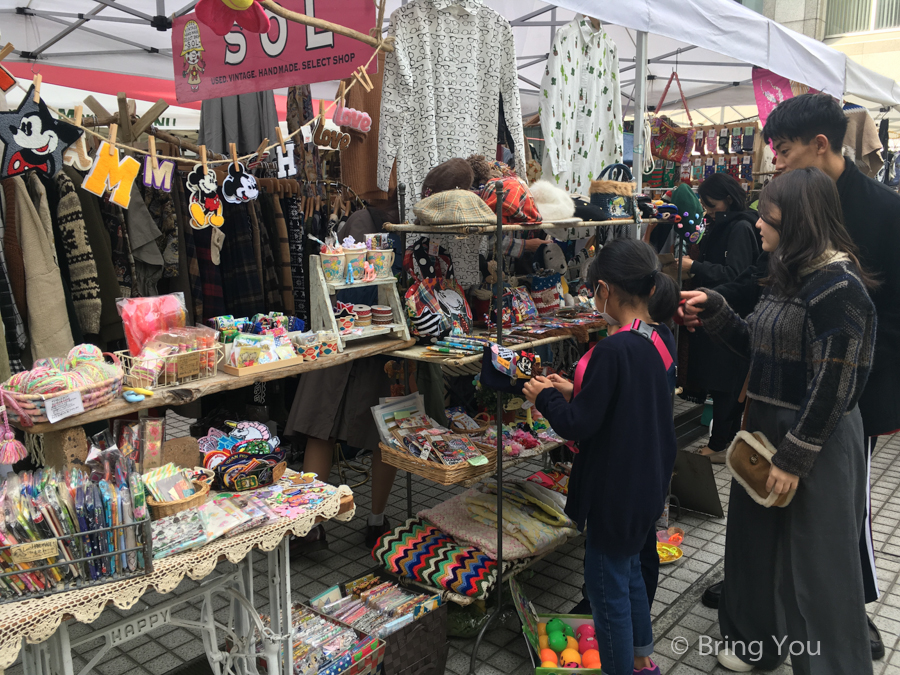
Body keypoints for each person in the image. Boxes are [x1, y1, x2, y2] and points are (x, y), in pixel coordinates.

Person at [681, 93, 900, 662]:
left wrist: (798, 450)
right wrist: (718, 312)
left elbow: (838, 378)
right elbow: (762, 342)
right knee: (761, 548)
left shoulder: (839, 282)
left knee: (822, 566)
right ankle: (759, 643)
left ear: (797, 219)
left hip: (818, 432)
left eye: (766, 214)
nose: (756, 221)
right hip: (772, 425)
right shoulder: (788, 273)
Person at [524, 238, 679, 675]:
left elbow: (577, 425)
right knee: (630, 575)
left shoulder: (611, 351)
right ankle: (642, 659)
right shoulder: (658, 338)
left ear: (606, 290)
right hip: (648, 484)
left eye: (594, 289)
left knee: (607, 592)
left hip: (615, 491)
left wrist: (545, 399)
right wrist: (578, 391)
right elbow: (633, 401)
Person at [684, 174, 759, 462]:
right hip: (723, 311)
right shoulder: (730, 223)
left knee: (726, 381)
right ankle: (723, 441)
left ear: (728, 198)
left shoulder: (740, 227)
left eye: (710, 203)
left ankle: (719, 444)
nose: (707, 209)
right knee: (724, 380)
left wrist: (696, 267)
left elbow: (736, 276)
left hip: (729, 315)